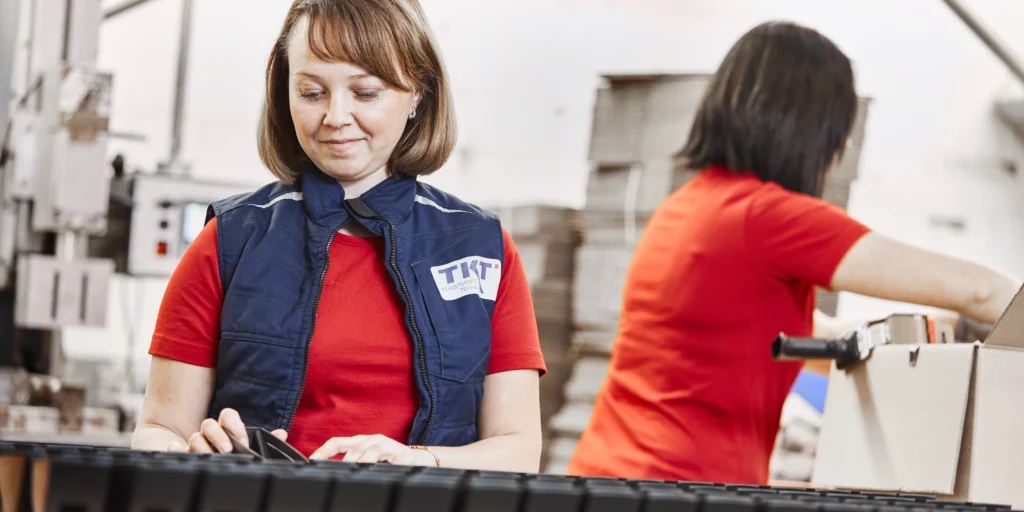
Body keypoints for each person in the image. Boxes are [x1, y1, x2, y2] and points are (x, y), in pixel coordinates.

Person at [567, 21, 1022, 485]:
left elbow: (795, 339)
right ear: (813, 132)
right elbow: (981, 291)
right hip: (683, 488)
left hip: (607, 476)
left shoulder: (686, 207)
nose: (841, 150)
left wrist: (933, 333)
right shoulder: (768, 217)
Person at [130, 0, 546, 472]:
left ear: (418, 94)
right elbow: (159, 429)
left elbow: (517, 451)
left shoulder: (482, 249)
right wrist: (188, 454)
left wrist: (417, 460)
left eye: (365, 92)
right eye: (311, 92)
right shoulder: (228, 241)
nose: (335, 116)